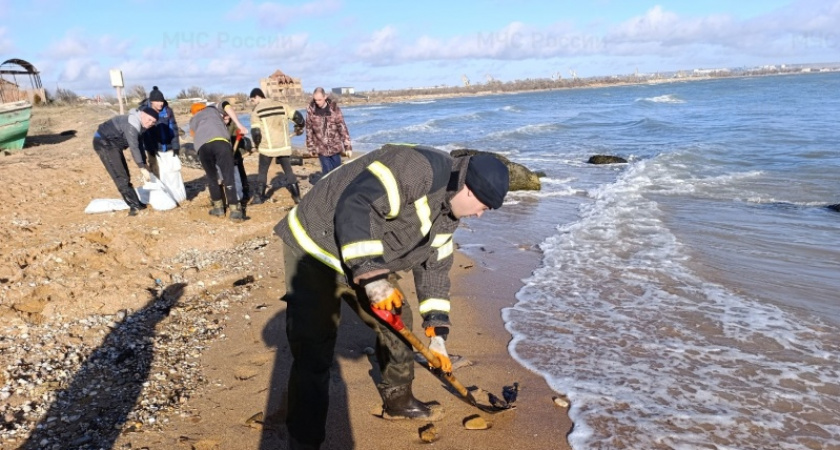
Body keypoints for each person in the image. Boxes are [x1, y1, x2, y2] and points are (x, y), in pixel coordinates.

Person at [274, 144, 510, 449]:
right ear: (467, 188)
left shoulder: (449, 214)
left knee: (400, 324)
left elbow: (435, 270)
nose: (479, 214)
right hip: (314, 245)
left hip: (364, 258)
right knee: (314, 350)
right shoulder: (416, 168)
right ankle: (305, 439)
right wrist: (372, 278)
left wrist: (437, 335)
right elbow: (357, 203)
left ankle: (398, 400)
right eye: (483, 206)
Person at [92, 107, 159, 216]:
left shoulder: (142, 125)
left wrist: (144, 163)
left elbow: (139, 145)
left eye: (153, 121)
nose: (150, 123)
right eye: (149, 119)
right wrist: (141, 167)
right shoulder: (132, 125)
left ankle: (136, 203)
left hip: (114, 144)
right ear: (142, 115)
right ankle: (134, 207)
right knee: (120, 175)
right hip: (104, 142)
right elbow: (134, 147)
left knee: (125, 175)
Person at [188, 102, 245, 221]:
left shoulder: (193, 120)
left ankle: (218, 209)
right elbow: (227, 105)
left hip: (202, 147)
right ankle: (234, 210)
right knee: (228, 176)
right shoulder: (212, 108)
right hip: (220, 142)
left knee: (212, 178)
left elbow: (195, 135)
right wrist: (239, 125)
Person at [248, 88, 305, 205]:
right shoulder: (282, 105)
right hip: (283, 145)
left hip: (267, 147)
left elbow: (256, 133)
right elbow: (299, 118)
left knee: (263, 172)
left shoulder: (256, 111)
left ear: (257, 97)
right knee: (288, 171)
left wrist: (257, 145)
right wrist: (298, 128)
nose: (253, 103)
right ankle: (297, 197)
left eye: (252, 100)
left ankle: (259, 198)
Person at [305, 87, 352, 175]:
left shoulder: (334, 109)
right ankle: (328, 188)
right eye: (315, 100)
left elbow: (342, 127)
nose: (317, 102)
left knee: (337, 172)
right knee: (327, 173)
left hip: (335, 147)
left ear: (325, 97)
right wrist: (310, 147)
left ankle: (338, 188)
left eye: (319, 100)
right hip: (321, 148)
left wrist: (348, 147)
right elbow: (308, 129)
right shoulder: (311, 109)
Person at [139, 86, 180, 177]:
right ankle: (159, 188)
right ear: (151, 101)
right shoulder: (144, 111)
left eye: (161, 101)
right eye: (157, 101)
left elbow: (173, 128)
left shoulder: (168, 111)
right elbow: (144, 132)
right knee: (156, 170)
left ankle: (173, 189)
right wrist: (150, 148)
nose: (160, 103)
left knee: (172, 171)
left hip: (168, 146)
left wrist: (175, 146)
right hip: (153, 148)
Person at [223, 111, 252, 205]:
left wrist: (241, 134)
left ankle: (245, 190)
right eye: (224, 118)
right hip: (225, 152)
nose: (226, 120)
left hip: (237, 152)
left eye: (227, 117)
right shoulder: (218, 124)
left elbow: (240, 133)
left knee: (240, 170)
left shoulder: (234, 124)